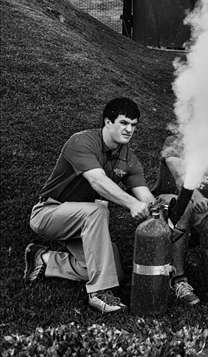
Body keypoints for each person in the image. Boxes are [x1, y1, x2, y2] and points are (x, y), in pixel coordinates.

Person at [24, 98, 196, 313]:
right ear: (107, 121)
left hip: (83, 220)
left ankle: (44, 259)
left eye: (133, 125)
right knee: (98, 210)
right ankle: (99, 293)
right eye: (124, 123)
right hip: (49, 212)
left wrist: (161, 215)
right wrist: (131, 203)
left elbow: (144, 195)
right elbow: (98, 181)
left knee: (112, 269)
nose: (129, 129)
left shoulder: (129, 159)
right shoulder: (81, 141)